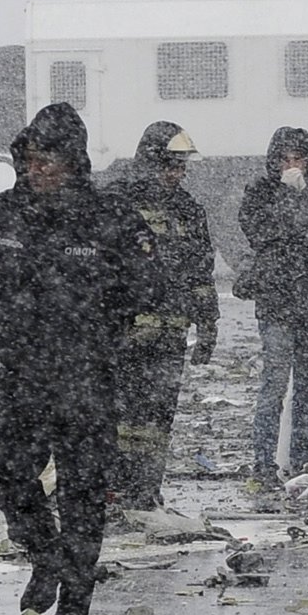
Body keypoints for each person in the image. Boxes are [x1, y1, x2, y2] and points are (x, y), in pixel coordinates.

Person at [0, 100, 148, 615]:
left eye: (48, 159)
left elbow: (144, 285)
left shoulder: (109, 216)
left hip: (87, 378)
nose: (36, 169)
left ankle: (77, 588)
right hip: (24, 373)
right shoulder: (5, 211)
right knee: (5, 472)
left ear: (74, 162)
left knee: (83, 489)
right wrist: (6, 329)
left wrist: (93, 329)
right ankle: (45, 554)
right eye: (29, 158)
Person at [106, 121, 218, 507]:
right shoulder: (118, 201)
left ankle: (147, 490)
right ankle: (115, 488)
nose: (177, 174)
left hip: (170, 336)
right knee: (120, 416)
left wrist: (208, 323)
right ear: (151, 162)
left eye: (182, 167)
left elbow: (200, 271)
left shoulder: (188, 209)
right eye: (171, 165)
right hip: (126, 333)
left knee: (157, 420)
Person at [232, 127, 308, 484]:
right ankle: (264, 461)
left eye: (297, 158)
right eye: (285, 159)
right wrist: (288, 197)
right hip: (276, 301)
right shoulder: (260, 192)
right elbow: (257, 229)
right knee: (274, 383)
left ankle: (302, 459)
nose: (291, 165)